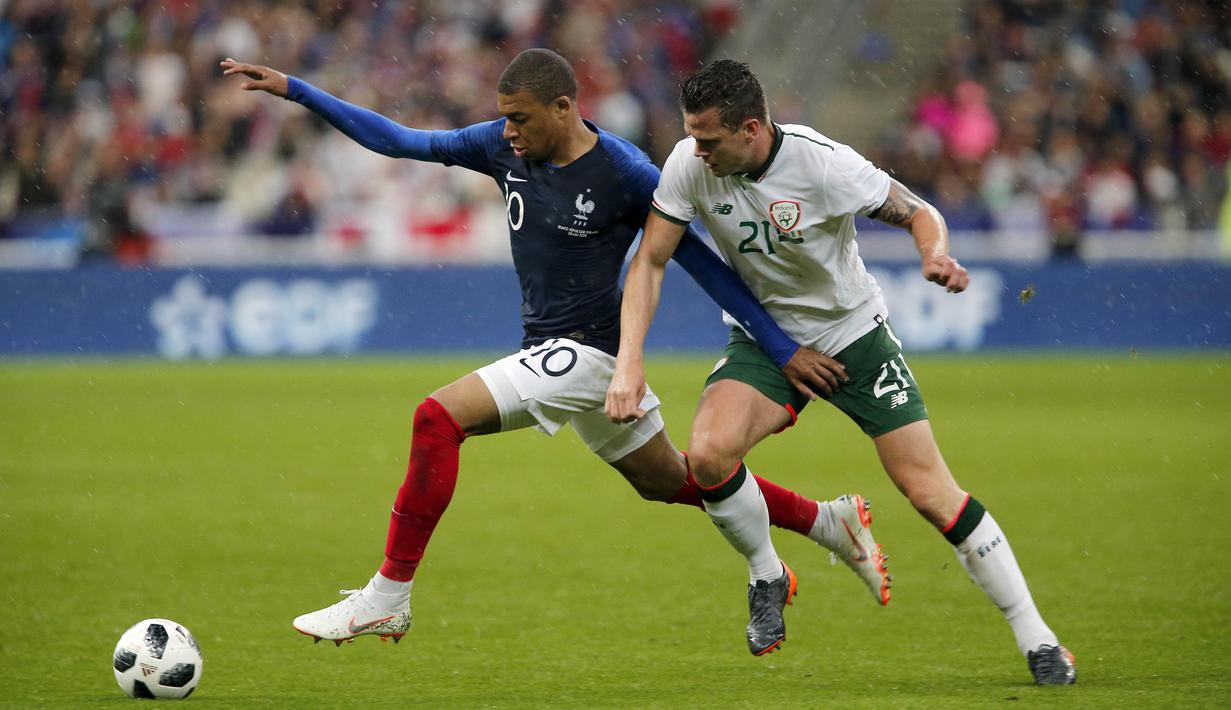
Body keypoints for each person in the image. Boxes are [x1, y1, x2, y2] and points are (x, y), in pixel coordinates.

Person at [220, 49, 892, 648]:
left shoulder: (625, 171)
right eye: (503, 119)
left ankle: (386, 600)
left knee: (436, 419)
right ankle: (827, 521)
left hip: (591, 354)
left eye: (520, 118)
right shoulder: (501, 147)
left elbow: (699, 262)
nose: (508, 132)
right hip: (553, 352)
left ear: (563, 107)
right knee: (672, 480)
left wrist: (777, 346)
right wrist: (298, 89)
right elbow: (401, 141)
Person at [606, 59, 1075, 684]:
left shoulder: (822, 162)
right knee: (710, 454)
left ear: (751, 128)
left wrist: (934, 255)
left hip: (854, 336)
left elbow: (917, 211)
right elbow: (651, 261)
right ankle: (768, 571)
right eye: (692, 136)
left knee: (929, 491)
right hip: (765, 344)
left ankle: (1038, 639)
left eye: (709, 139)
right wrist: (629, 361)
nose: (697, 151)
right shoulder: (691, 165)